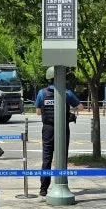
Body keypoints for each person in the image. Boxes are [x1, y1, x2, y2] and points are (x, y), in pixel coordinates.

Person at [35, 66, 80, 197]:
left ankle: (43, 189)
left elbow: (38, 112)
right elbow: (80, 106)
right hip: (63, 129)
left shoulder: (41, 93)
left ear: (48, 78)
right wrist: (68, 112)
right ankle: (62, 184)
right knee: (62, 158)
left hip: (47, 129)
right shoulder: (66, 93)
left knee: (46, 159)